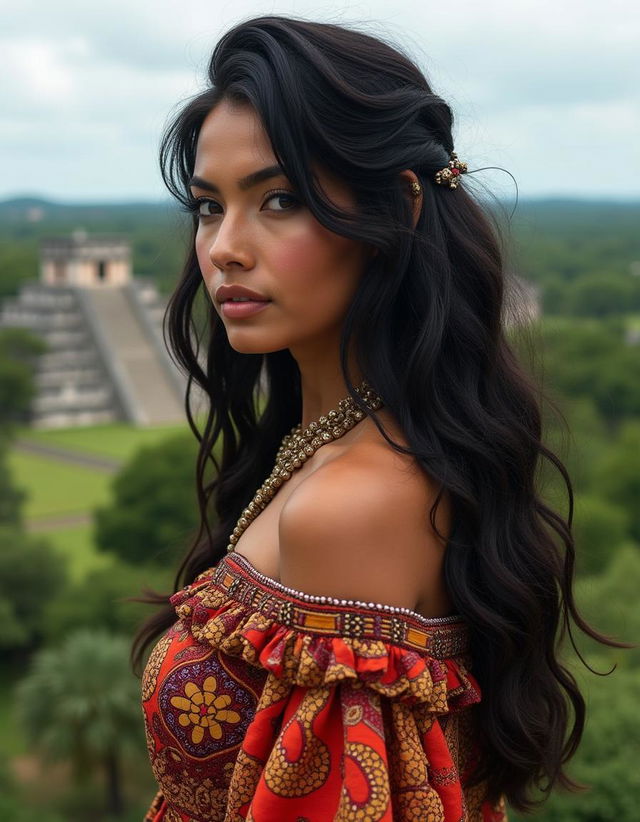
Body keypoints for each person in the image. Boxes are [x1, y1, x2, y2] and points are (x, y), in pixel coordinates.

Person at [134, 15, 616, 822]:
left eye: (278, 199)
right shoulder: (332, 453)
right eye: (209, 206)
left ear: (399, 209)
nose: (223, 248)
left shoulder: (354, 506)